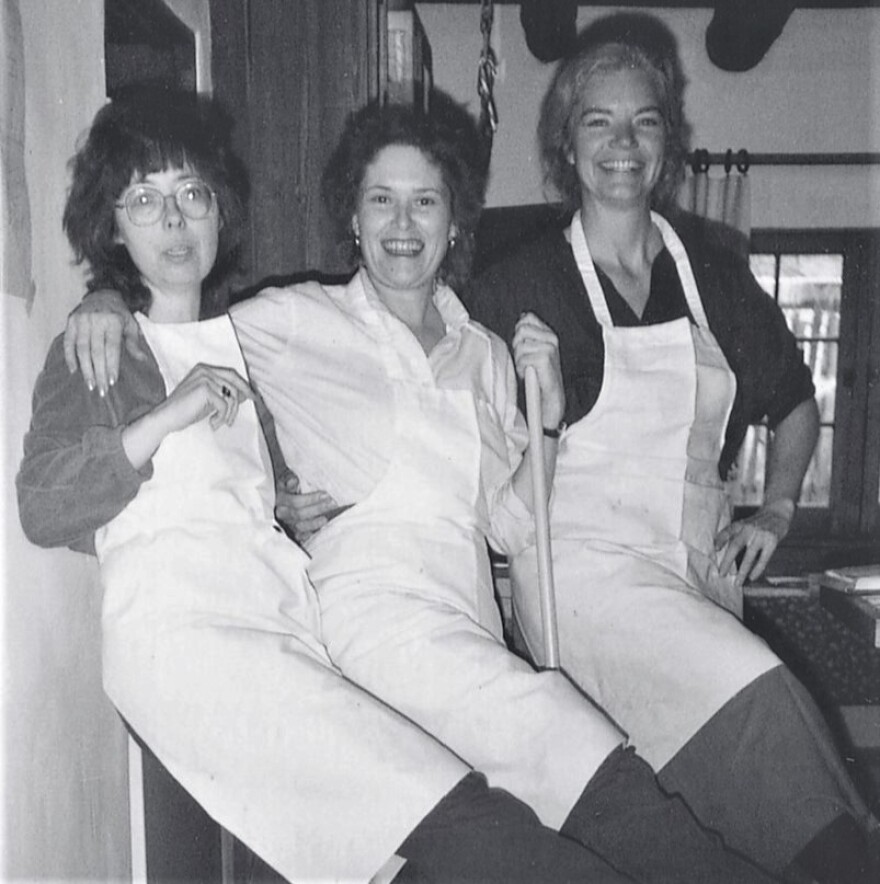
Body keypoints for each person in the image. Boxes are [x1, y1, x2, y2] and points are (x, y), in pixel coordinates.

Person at [49, 93, 778, 883]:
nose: (404, 224)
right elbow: (178, 322)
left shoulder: (487, 354)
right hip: (369, 636)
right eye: (381, 201)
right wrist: (107, 299)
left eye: (425, 201)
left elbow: (510, 527)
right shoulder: (294, 321)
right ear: (352, 222)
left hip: (463, 625)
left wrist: (552, 423)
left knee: (601, 784)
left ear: (455, 220)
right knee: (581, 796)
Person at [462, 12, 880, 883]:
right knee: (766, 701)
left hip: (692, 573)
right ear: (566, 144)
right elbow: (466, 446)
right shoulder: (516, 285)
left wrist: (773, 506)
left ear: (667, 144)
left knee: (693, 807)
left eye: (644, 121)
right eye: (598, 121)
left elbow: (796, 404)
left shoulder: (714, 273)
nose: (623, 142)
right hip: (583, 581)